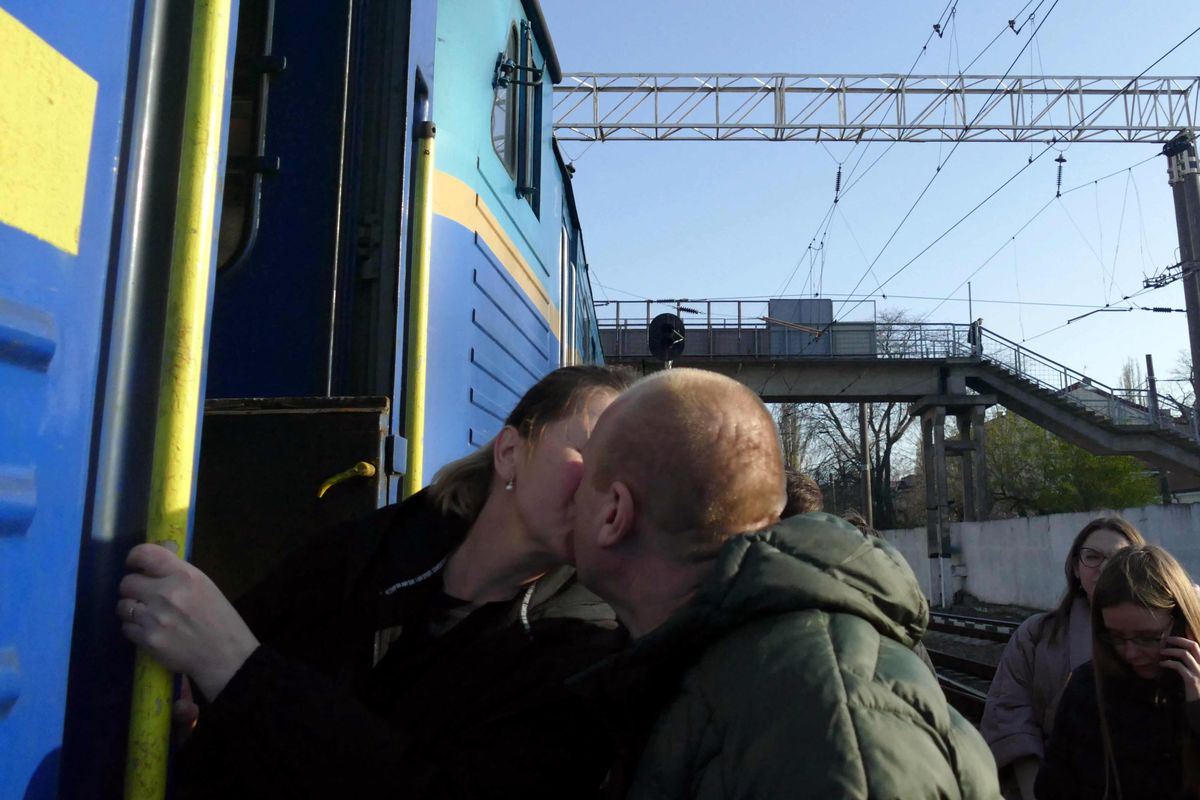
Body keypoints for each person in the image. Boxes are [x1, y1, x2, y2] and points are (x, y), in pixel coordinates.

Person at [117, 365, 634, 799]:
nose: (605, 486)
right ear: (509, 453)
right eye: (590, 454)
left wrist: (235, 667)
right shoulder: (374, 548)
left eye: (624, 475)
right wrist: (194, 718)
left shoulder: (584, 651)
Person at [569, 368, 999, 799]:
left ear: (613, 514)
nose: (568, 495)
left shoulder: (831, 728)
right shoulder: (725, 666)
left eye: (583, 480)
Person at [981, 516, 1146, 800]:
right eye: (1092, 557)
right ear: (1075, 567)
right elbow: (1009, 714)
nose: (1104, 567)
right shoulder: (1036, 634)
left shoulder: (1164, 630)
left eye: (1119, 558)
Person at [1035, 545, 1200, 800]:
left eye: (1148, 638)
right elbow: (1051, 787)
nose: (1131, 653)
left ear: (1180, 623)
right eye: (1116, 637)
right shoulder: (1086, 686)